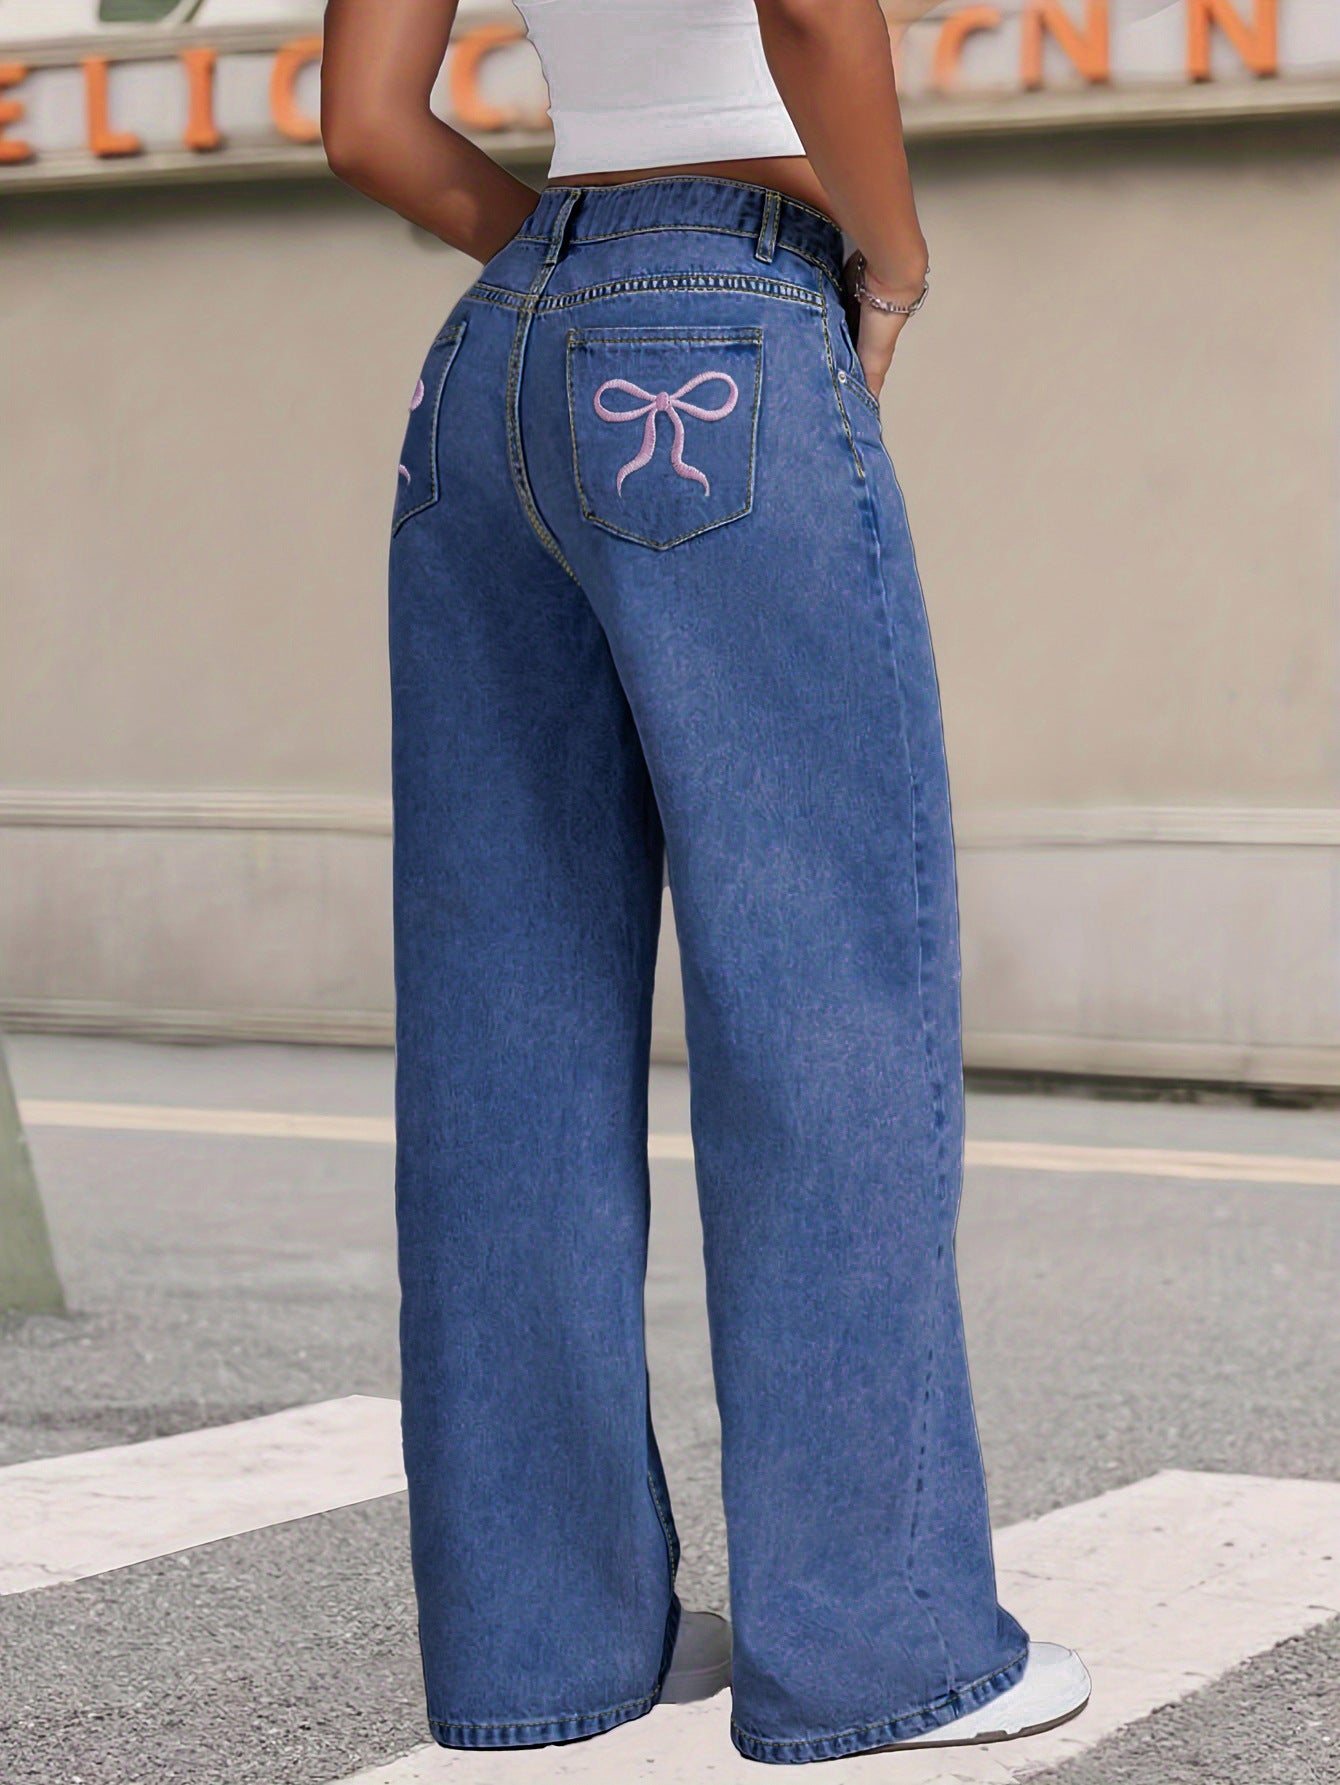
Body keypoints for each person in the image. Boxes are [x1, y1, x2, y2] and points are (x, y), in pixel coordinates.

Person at [320, 0, 1089, 1764]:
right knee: (824, 1008)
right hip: (727, 325)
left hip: (488, 369)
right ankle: (881, 1652)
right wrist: (891, 260)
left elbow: (367, 122)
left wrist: (565, 267)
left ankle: (543, 1648)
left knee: (506, 1041)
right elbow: (810, 13)